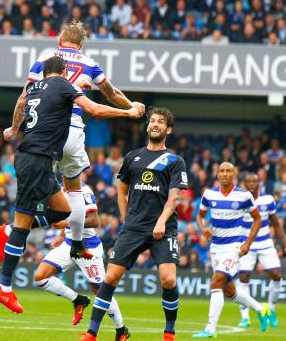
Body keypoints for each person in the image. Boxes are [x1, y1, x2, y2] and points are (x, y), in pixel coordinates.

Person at [0, 56, 144, 314]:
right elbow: (95, 110)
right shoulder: (63, 85)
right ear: (63, 72)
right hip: (36, 158)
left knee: (63, 210)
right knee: (23, 223)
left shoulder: (34, 87)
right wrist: (127, 112)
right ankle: (4, 287)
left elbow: (20, 103)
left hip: (36, 157)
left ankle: (9, 231)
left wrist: (13, 128)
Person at [0, 20, 143, 261]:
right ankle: (76, 243)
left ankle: (13, 231)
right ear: (81, 43)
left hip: (44, 133)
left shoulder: (46, 57)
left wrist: (14, 128)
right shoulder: (89, 63)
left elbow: (25, 96)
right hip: (73, 130)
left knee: (38, 187)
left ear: (60, 39)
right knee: (74, 189)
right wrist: (132, 106)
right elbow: (111, 94)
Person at [81, 107, 188, 341]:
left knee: (169, 279)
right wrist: (125, 218)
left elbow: (175, 197)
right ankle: (92, 333)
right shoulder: (132, 157)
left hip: (163, 228)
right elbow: (122, 191)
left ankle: (169, 333)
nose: (155, 124)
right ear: (148, 126)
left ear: (168, 129)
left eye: (161, 122)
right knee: (109, 279)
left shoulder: (174, 161)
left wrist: (161, 221)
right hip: (134, 227)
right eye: (152, 121)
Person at [33, 184, 131, 341]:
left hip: (87, 246)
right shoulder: (62, 190)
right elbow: (70, 213)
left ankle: (121, 329)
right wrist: (62, 234)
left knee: (100, 291)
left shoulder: (84, 191)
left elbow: (94, 221)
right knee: (40, 277)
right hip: (68, 243)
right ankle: (78, 300)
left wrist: (65, 224)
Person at [192, 163, 269, 338]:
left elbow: (257, 220)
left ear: (234, 174)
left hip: (234, 247)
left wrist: (248, 243)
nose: (225, 174)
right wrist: (203, 228)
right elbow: (199, 216)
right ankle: (260, 309)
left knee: (216, 282)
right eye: (222, 171)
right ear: (217, 174)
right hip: (216, 247)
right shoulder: (209, 194)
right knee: (229, 290)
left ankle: (211, 328)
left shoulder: (244, 196)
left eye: (228, 171)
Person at [236, 173, 285, 329]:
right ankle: (245, 317)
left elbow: (276, 224)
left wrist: (284, 243)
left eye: (254, 181)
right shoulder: (240, 201)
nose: (252, 183)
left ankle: (270, 309)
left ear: (259, 183)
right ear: (244, 184)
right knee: (243, 277)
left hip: (265, 243)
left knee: (276, 275)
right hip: (246, 244)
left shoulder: (268, 200)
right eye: (249, 181)